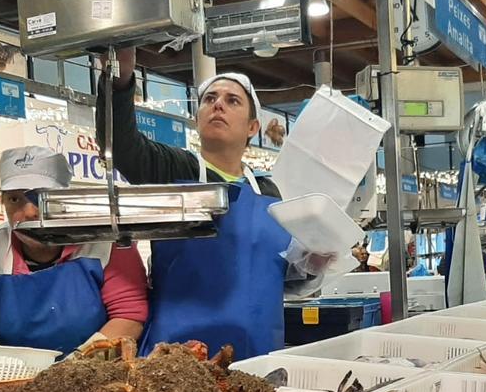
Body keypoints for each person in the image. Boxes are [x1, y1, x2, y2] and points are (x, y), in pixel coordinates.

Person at [99, 49, 321, 358]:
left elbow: (283, 277)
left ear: (253, 128)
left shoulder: (269, 192)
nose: (218, 104)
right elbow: (123, 149)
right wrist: (120, 80)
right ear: (198, 118)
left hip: (256, 351)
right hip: (177, 357)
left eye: (232, 101)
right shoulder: (175, 169)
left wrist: (313, 263)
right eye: (209, 99)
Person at [0, 146, 149, 352]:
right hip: (10, 376)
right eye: (15, 199)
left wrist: (86, 358)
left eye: (41, 198)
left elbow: (129, 316)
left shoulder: (106, 244)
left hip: (94, 376)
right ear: (2, 202)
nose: (30, 212)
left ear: (64, 200)